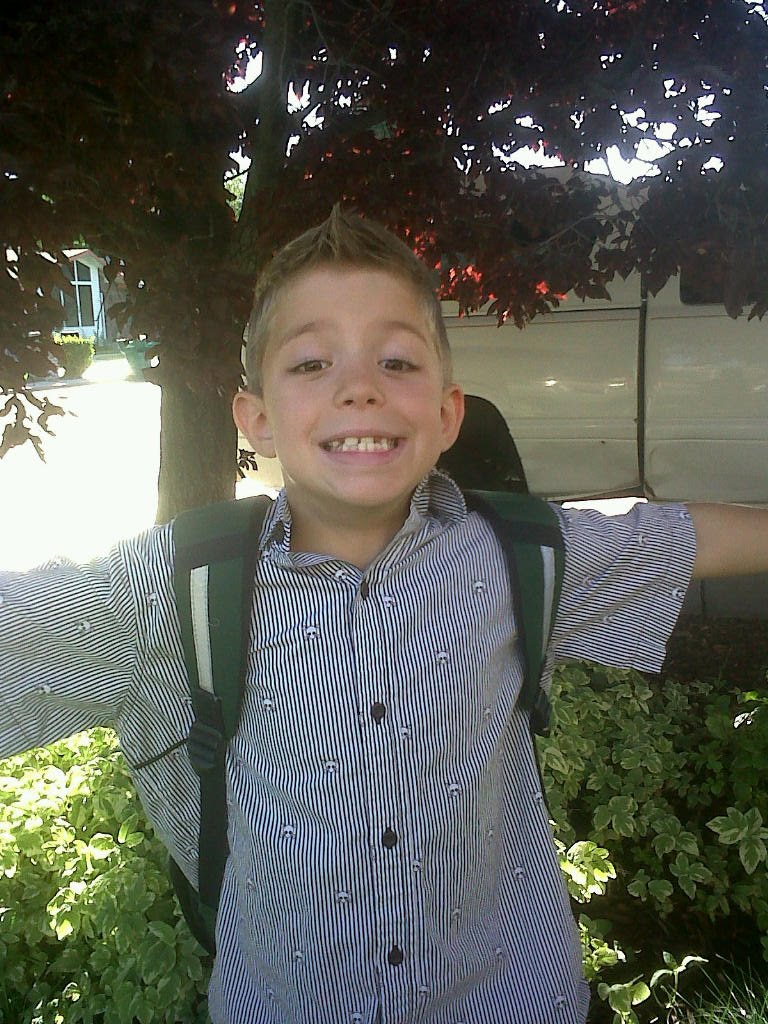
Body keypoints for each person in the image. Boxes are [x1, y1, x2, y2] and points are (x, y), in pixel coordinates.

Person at [1, 207, 767, 1024]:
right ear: (257, 419)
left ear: (447, 414)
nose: (359, 386)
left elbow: (674, 537)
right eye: (311, 362)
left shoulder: (516, 553)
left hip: (514, 998)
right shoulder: (168, 589)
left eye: (397, 360)